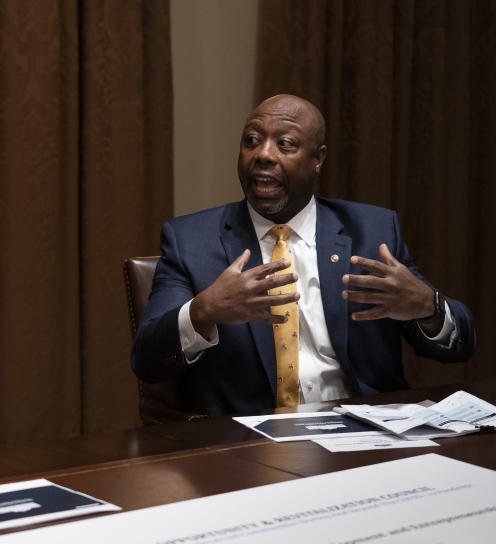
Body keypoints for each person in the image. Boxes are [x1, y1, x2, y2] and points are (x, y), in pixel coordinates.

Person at [131, 94, 474, 416]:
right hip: (248, 446)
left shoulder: (372, 231)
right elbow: (147, 359)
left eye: (285, 144)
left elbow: (460, 345)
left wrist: (428, 305)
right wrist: (204, 311)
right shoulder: (191, 240)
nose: (263, 154)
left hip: (363, 434)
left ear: (318, 159)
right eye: (251, 140)